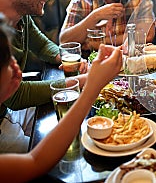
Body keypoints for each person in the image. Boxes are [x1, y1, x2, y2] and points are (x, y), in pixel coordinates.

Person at [0, 13, 122, 183]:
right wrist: (92, 85)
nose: (16, 64)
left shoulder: (22, 20)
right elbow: (35, 162)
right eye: (7, 58)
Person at [0, 0, 87, 153]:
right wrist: (78, 82)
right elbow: (15, 95)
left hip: (11, 112)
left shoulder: (21, 16)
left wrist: (66, 58)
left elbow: (43, 45)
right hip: (4, 116)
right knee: (58, 154)